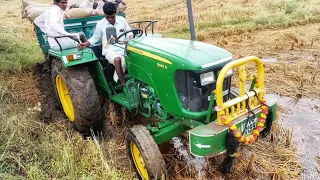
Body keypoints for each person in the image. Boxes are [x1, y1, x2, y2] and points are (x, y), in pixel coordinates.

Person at [78, 2, 133, 85]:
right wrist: (85, 43)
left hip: (124, 48)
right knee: (117, 59)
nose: (110, 19)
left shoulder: (122, 20)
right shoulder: (100, 24)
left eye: (112, 17)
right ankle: (123, 84)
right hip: (110, 49)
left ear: (116, 13)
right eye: (108, 17)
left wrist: (130, 37)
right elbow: (95, 37)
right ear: (104, 14)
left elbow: (129, 32)